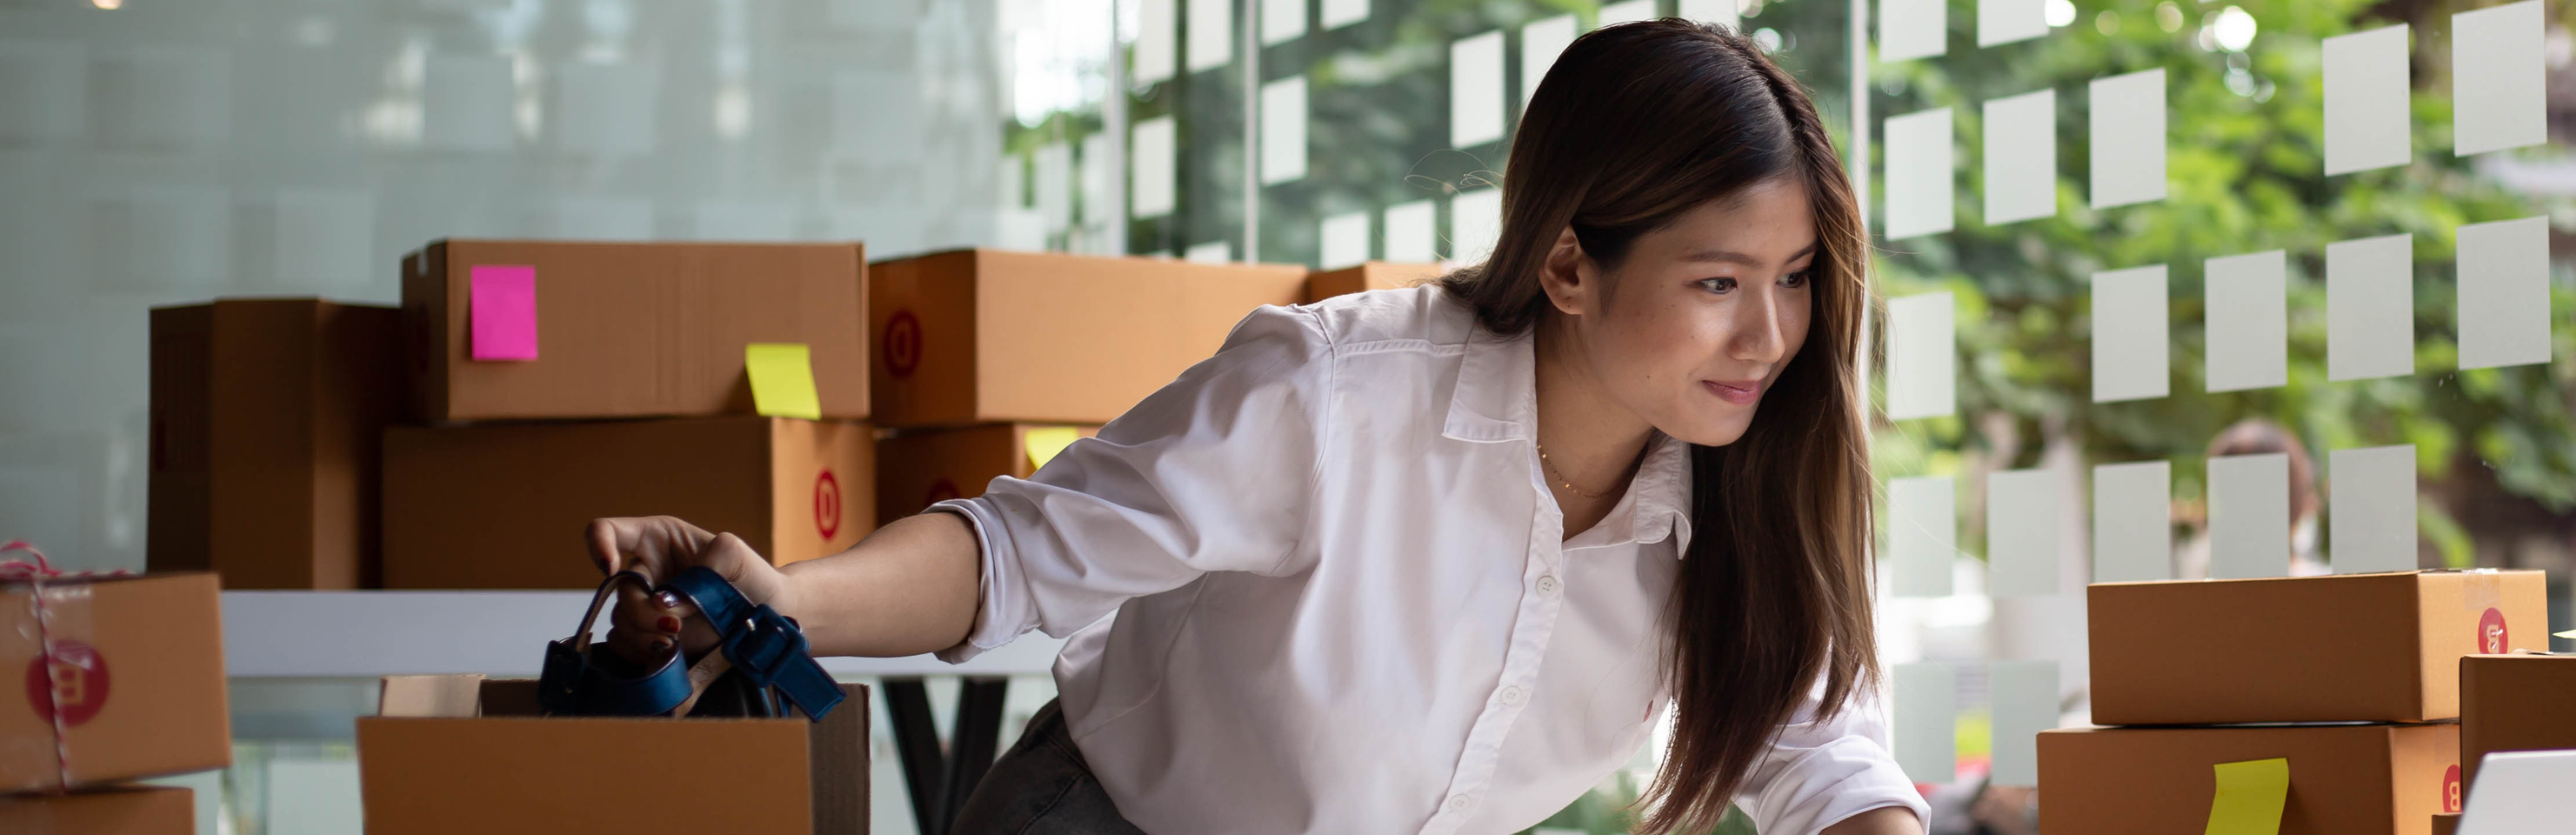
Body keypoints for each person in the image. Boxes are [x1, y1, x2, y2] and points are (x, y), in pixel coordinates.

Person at [581, 19, 1924, 835]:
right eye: (1717, 284)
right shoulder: (1333, 396)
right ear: (1569, 266)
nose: (1771, 336)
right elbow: (1020, 552)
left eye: (1796, 279)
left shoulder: (1745, 493)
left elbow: (1821, 754)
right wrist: (784, 599)